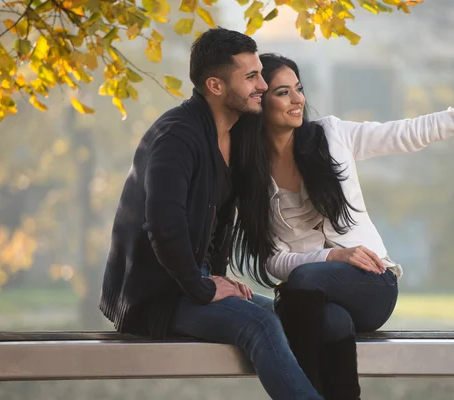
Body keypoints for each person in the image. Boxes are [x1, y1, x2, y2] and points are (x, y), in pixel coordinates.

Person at [230, 53, 454, 400]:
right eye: (283, 92)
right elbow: (272, 259)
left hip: (370, 285)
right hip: (313, 301)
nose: (298, 100)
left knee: (302, 282)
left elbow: (407, 133)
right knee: (330, 321)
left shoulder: (331, 135)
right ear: (259, 102)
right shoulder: (250, 171)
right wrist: (333, 255)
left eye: (299, 88)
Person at [99, 31, 324, 400]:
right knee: (263, 325)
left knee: (301, 318)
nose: (263, 85)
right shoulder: (178, 137)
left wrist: (214, 277)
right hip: (157, 298)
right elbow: (163, 225)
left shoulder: (234, 134)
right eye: (251, 77)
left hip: (193, 282)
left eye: (261, 75)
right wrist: (203, 286)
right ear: (215, 85)